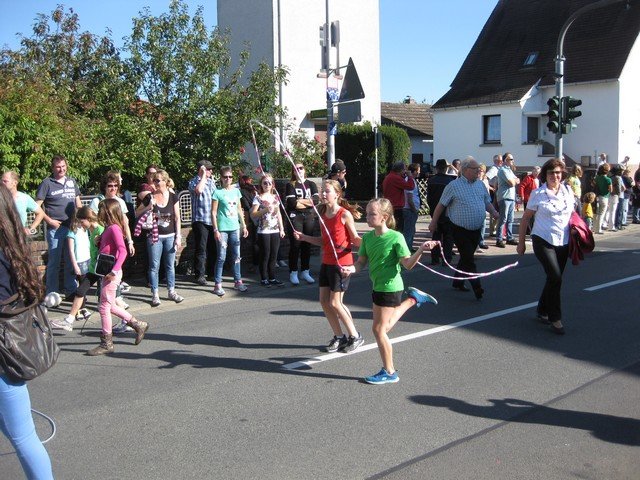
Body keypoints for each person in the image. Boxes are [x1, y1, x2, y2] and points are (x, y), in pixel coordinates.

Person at [342, 198, 438, 385]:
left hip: (391, 287)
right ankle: (413, 299)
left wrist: (420, 249)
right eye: (367, 213)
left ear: (384, 217)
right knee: (381, 328)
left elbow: (407, 264)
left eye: (372, 214)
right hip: (377, 286)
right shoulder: (368, 238)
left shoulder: (396, 237)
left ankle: (390, 371)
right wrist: (351, 269)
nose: (367, 217)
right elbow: (361, 262)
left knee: (379, 330)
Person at [0, 184, 54, 479]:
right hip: (12, 349)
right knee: (19, 433)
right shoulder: (13, 246)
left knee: (22, 436)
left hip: (4, 357)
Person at [294, 180, 364, 353]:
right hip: (327, 262)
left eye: (327, 191)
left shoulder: (344, 214)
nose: (323, 194)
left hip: (342, 264)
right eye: (322, 191)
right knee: (324, 301)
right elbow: (324, 242)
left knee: (335, 302)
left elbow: (355, 239)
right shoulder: (323, 214)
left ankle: (355, 336)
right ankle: (339, 337)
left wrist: (373, 244)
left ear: (337, 194)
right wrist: (304, 237)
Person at [428, 157, 499, 299]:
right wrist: (433, 222)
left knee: (466, 257)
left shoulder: (480, 185)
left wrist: (494, 212)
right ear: (465, 170)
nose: (479, 171)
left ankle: (457, 281)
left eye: (479, 169)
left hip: (476, 229)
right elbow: (441, 205)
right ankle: (477, 287)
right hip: (459, 229)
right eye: (475, 169)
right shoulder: (453, 186)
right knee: (469, 259)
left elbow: (486, 201)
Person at [516, 158, 573, 335]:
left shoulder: (568, 191)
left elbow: (573, 214)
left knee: (553, 278)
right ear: (545, 175)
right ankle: (555, 318)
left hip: (563, 240)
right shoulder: (538, 194)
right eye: (551, 173)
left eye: (558, 172)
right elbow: (525, 218)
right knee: (555, 277)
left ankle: (542, 309)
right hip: (542, 239)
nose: (555, 176)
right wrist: (521, 243)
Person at [88, 199, 148, 355]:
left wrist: (114, 271)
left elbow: (123, 251)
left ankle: (106, 343)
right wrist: (99, 242)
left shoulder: (114, 228)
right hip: (107, 271)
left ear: (108, 211)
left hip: (111, 273)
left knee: (104, 307)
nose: (98, 213)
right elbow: (109, 248)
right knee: (110, 305)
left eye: (101, 209)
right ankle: (138, 324)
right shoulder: (109, 228)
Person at [136, 169, 184, 306]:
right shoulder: (150, 196)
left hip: (170, 235)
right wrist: (149, 207)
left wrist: (178, 236)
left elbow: (177, 218)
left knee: (170, 265)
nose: (155, 183)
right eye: (154, 180)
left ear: (165, 181)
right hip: (154, 236)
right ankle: (155, 294)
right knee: (154, 266)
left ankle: (171, 291)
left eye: (158, 180)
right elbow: (137, 212)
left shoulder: (173, 196)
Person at [36, 154, 82, 296]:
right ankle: (52, 293)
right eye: (58, 167)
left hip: (71, 227)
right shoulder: (46, 183)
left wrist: (82, 220)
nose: (61, 169)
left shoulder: (72, 181)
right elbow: (36, 206)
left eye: (63, 166)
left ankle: (70, 290)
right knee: (54, 263)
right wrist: (49, 221)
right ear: (53, 168)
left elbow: (78, 204)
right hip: (55, 228)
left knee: (70, 260)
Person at [51, 207, 103, 332]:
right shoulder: (91, 230)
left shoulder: (100, 230)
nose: (81, 224)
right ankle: (69, 321)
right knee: (80, 291)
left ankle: (131, 322)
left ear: (88, 219)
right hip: (93, 267)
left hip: (102, 269)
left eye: (82, 221)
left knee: (109, 301)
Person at [211, 166, 249, 296]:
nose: (228, 179)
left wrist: (244, 225)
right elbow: (213, 212)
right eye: (225, 177)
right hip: (222, 229)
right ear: (221, 178)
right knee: (221, 256)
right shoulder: (217, 192)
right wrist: (215, 229)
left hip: (235, 228)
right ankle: (217, 284)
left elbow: (239, 209)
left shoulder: (236, 191)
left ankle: (238, 281)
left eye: (230, 177)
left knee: (237, 256)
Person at [285, 162, 319, 285]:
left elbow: (316, 201)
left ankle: (305, 271)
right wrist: (307, 202)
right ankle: (293, 272)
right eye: (296, 168)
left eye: (301, 168)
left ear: (304, 170)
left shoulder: (311, 184)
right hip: (296, 217)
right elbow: (292, 203)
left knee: (307, 244)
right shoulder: (291, 184)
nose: (299, 170)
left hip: (309, 216)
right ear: (293, 172)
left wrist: (301, 201)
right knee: (296, 244)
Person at [251, 174, 285, 287]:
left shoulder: (275, 197)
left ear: (273, 184)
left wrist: (281, 228)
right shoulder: (258, 198)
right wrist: (265, 210)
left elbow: (278, 213)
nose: (267, 185)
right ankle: (264, 278)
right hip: (263, 230)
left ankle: (272, 277)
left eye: (270, 183)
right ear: (261, 184)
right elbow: (253, 214)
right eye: (265, 183)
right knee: (265, 254)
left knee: (274, 255)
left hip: (274, 229)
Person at [188, 160, 217, 285]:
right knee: (201, 248)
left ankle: (211, 273)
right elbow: (198, 190)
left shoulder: (211, 182)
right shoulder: (193, 181)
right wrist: (203, 175)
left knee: (213, 248)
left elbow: (216, 198)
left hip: (211, 220)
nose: (211, 171)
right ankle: (199, 275)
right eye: (208, 169)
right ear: (202, 169)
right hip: (200, 219)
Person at [426, 159, 455, 264]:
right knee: (448, 237)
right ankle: (446, 259)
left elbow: (429, 198)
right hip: (447, 212)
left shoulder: (431, 180)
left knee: (436, 236)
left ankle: (434, 259)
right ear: (446, 168)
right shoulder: (450, 181)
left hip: (435, 211)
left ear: (437, 168)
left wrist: (432, 210)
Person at [1, 170, 45, 234]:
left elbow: (40, 213)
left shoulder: (24, 198)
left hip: (19, 235)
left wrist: (31, 229)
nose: (2, 183)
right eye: (1, 181)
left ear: (15, 183)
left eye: (5, 181)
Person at [382, 161, 415, 232]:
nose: (405, 171)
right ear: (400, 170)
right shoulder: (395, 178)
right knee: (398, 230)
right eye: (404, 170)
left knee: (391, 229)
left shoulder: (389, 176)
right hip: (396, 208)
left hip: (390, 206)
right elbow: (410, 186)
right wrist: (410, 177)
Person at [495, 154, 520, 247]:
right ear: (505, 160)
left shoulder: (509, 170)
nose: (513, 160)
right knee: (503, 219)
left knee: (510, 219)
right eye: (511, 159)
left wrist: (514, 180)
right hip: (504, 197)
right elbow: (512, 183)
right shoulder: (502, 170)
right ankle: (499, 239)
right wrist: (514, 180)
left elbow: (517, 180)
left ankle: (509, 238)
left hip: (511, 197)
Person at [239, 175, 260, 274]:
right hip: (261, 215)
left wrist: (246, 224)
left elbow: (247, 208)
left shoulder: (242, 192)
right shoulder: (254, 190)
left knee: (255, 242)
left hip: (253, 217)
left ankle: (255, 264)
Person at [402, 163, 421, 250]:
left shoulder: (411, 180)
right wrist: (414, 209)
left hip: (410, 209)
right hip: (409, 209)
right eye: (418, 171)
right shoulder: (409, 181)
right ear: (415, 171)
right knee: (409, 231)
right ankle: (407, 248)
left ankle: (409, 247)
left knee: (411, 229)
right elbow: (410, 198)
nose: (419, 173)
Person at [485, 154, 503, 236]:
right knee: (494, 210)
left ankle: (495, 230)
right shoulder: (493, 169)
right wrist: (491, 188)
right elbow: (486, 177)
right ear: (495, 161)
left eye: (501, 160)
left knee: (497, 210)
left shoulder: (499, 169)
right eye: (500, 160)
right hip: (494, 192)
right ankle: (493, 231)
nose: (501, 162)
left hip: (498, 191)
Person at [593, 163, 612, 234]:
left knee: (595, 213)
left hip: (596, 196)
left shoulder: (597, 178)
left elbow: (593, 184)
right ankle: (598, 229)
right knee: (601, 214)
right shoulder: (608, 179)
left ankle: (594, 228)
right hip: (604, 197)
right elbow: (611, 190)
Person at [604, 165, 624, 231]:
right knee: (612, 211)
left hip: (608, 195)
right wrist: (619, 194)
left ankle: (604, 224)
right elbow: (618, 188)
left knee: (607, 210)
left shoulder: (610, 176)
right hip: (614, 195)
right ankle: (611, 226)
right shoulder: (617, 178)